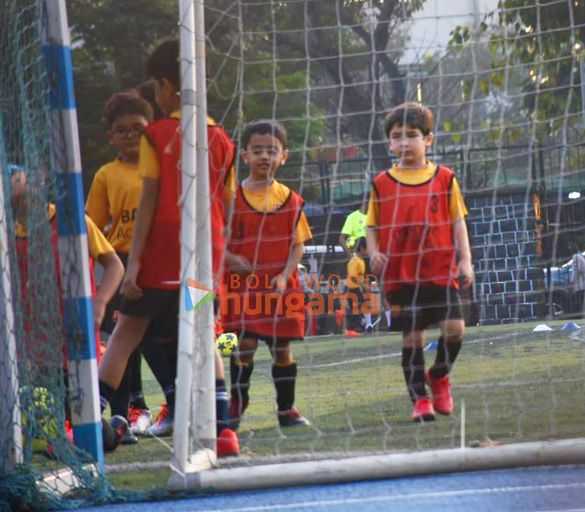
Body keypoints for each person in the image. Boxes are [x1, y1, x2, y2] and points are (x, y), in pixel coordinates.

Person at [96, 38, 239, 456]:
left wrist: (134, 261)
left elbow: (150, 201)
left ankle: (89, 423)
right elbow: (226, 205)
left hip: (161, 253)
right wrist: (219, 253)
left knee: (125, 334)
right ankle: (225, 431)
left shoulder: (156, 134)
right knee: (203, 335)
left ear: (164, 85)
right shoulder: (222, 138)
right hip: (203, 252)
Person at [366, 102, 474, 423]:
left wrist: (465, 260)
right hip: (401, 275)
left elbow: (457, 222)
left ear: (428, 140)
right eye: (397, 137)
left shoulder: (445, 178)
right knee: (412, 337)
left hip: (441, 270)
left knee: (455, 329)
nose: (404, 143)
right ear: (389, 143)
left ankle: (439, 374)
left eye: (411, 136)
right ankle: (420, 400)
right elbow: (372, 225)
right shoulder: (382, 183)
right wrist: (373, 252)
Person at [9, 166, 128, 451]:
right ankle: (56, 440)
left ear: (39, 180)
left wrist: (100, 303)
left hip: (73, 329)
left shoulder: (72, 220)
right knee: (42, 403)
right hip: (32, 336)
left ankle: (114, 429)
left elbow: (115, 265)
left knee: (79, 414)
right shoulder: (8, 231)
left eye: (14, 178)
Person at [87, 91, 179, 444]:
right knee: (126, 338)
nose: (129, 136)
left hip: (169, 261)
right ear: (111, 136)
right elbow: (93, 225)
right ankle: (122, 414)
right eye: (121, 130)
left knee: (173, 335)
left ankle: (181, 406)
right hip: (123, 264)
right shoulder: (106, 175)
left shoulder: (163, 169)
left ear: (150, 130)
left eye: (137, 129)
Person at [223, 119, 312, 430]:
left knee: (281, 348)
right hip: (240, 287)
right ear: (244, 156)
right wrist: (230, 257)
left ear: (283, 156)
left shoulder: (291, 200)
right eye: (257, 150)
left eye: (271, 151)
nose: (265, 157)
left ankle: (286, 409)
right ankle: (237, 401)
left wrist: (285, 274)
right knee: (240, 344)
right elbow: (215, 241)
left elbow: (297, 246)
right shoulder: (230, 199)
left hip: (279, 288)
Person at [344, 236, 368, 337]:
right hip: (351, 288)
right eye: (367, 248)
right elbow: (352, 276)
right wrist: (363, 284)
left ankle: (358, 327)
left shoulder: (361, 261)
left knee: (360, 307)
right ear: (362, 248)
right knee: (357, 308)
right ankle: (353, 328)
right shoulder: (355, 260)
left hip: (356, 288)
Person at [570, 241, 585, 315]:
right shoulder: (580, 255)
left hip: (579, 285)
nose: (570, 247)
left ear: (577, 245)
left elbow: (576, 270)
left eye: (571, 245)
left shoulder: (576, 256)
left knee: (579, 304)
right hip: (582, 284)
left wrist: (571, 282)